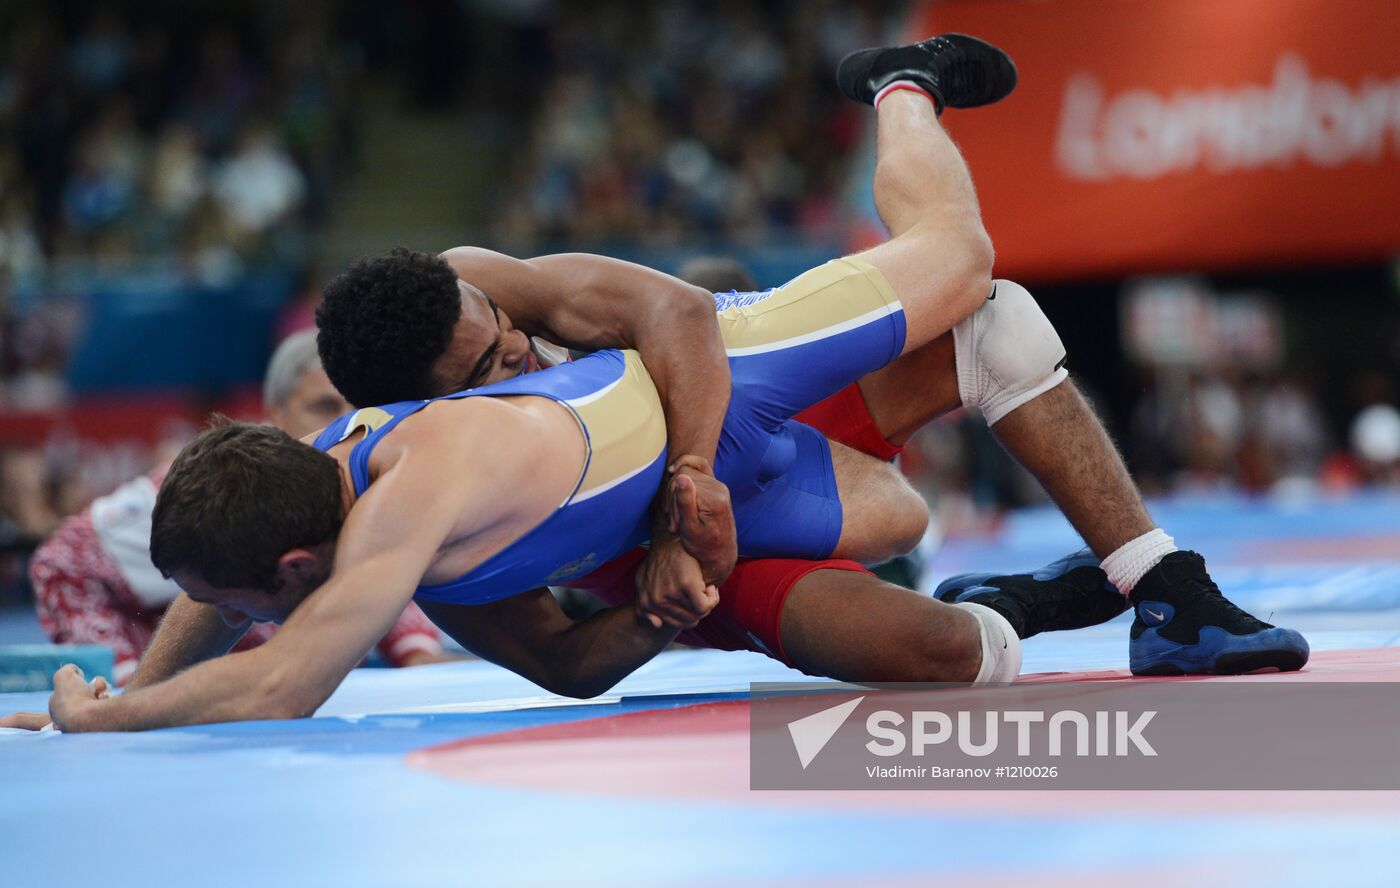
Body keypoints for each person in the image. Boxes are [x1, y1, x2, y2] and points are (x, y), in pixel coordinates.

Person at [11, 35, 1302, 733]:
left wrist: (99, 722)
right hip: (682, 529)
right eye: (484, 364)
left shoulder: (433, 435)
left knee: (977, 280)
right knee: (946, 639)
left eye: (497, 338)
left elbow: (674, 309)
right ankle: (1014, 598)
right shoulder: (365, 525)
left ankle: (901, 86)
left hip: (721, 388)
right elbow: (230, 601)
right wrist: (665, 611)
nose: (511, 349)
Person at [26, 331, 454, 686]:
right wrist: (125, 678)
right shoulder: (216, 484)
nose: (344, 423)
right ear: (276, 413)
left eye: (357, 405)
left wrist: (416, 650)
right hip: (194, 682)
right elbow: (59, 563)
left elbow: (379, 566)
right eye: (324, 407)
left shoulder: (366, 470)